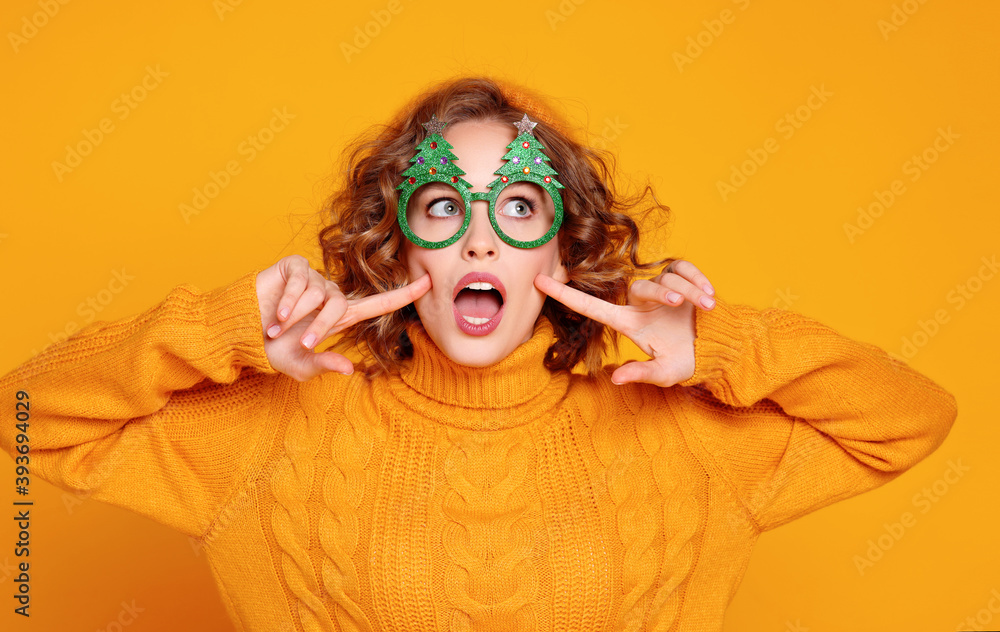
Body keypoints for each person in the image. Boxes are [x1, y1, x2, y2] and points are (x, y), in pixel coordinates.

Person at [0, 76, 957, 631]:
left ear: (563, 245)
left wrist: (719, 345)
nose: (482, 241)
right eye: (447, 206)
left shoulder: (688, 435)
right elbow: (19, 421)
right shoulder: (270, 426)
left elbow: (911, 419)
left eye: (521, 208)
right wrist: (219, 329)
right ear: (400, 237)